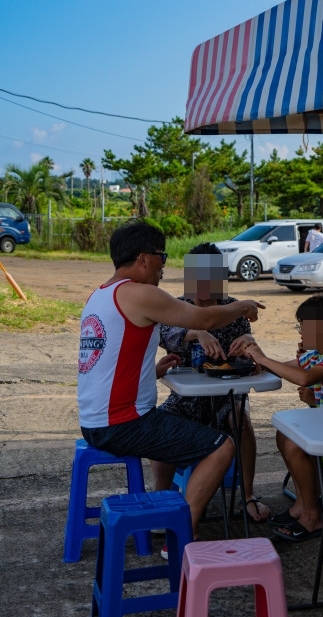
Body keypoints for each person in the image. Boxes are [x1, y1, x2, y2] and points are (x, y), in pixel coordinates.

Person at [77, 220, 264, 538]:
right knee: (221, 449)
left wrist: (152, 371)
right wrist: (241, 306)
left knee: (219, 427)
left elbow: (106, 365)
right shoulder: (139, 293)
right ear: (143, 258)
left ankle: (173, 508)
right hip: (122, 423)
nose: (164, 268)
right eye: (162, 258)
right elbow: (202, 318)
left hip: (98, 420)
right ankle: (180, 532)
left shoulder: (101, 294)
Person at [232, 295, 323, 542]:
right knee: (284, 432)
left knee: (295, 443)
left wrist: (263, 359)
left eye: (304, 326)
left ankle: (312, 517)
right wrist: (258, 361)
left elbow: (304, 378)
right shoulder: (319, 352)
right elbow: (294, 365)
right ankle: (303, 503)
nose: (300, 332)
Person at [154, 242, 271, 523]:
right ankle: (161, 498)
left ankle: (248, 495)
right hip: (186, 398)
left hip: (226, 396)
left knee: (241, 421)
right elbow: (165, 335)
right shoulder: (176, 306)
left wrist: (250, 345)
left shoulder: (233, 310)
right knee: (162, 424)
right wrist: (196, 332)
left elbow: (247, 359)